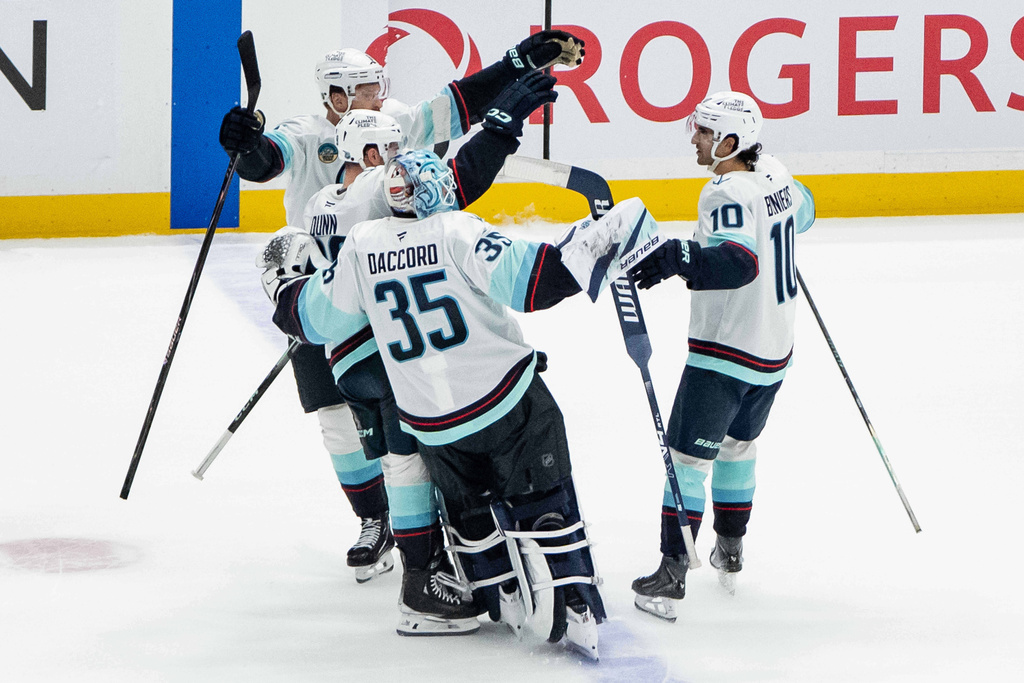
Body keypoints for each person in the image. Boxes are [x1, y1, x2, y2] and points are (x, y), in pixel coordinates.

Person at [258, 149, 664, 654]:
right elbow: (535, 282)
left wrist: (284, 288)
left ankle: (497, 588)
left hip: (432, 425)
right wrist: (602, 238)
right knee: (546, 496)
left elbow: (313, 320)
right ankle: (576, 594)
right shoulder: (457, 230)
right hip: (504, 400)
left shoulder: (362, 245)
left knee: (468, 509)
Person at [218, 33, 584, 582]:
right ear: (335, 97)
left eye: (377, 86)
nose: (377, 97)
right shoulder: (308, 135)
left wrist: (516, 63)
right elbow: (267, 160)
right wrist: (246, 145)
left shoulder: (388, 124)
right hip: (334, 292)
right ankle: (380, 523)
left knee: (404, 434)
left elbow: (458, 102)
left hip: (369, 293)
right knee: (342, 426)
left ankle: (430, 541)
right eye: (365, 89)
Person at [626, 91, 816, 621]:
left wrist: (677, 256)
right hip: (774, 350)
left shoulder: (724, 191)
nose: (695, 139)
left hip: (725, 353)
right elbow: (807, 211)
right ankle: (730, 549)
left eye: (705, 133)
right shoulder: (775, 172)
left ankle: (671, 575)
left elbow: (737, 263)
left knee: (687, 461)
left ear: (730, 141)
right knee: (738, 447)